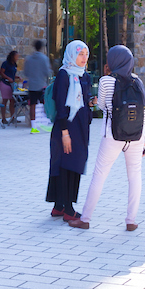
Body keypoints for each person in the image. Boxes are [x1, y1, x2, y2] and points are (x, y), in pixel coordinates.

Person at [71, 45, 145, 231]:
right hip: (136, 136)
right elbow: (143, 111)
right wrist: (143, 141)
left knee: (99, 175)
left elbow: (103, 106)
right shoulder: (138, 81)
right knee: (135, 176)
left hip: (113, 135)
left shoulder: (106, 81)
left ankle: (85, 218)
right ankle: (131, 221)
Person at [46, 40, 94, 222]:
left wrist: (91, 102)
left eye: (86, 54)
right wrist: (65, 133)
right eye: (80, 54)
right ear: (72, 55)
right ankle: (68, 208)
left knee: (75, 164)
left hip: (81, 128)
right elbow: (60, 104)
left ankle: (59, 206)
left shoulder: (84, 76)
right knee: (65, 165)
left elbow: (83, 101)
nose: (84, 58)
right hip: (65, 129)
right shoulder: (64, 75)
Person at [23, 40, 51, 124]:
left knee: (32, 104)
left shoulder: (29, 59)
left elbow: (26, 72)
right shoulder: (44, 58)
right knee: (44, 103)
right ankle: (44, 121)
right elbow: (47, 72)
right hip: (41, 84)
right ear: (41, 47)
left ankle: (33, 123)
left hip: (32, 85)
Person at [0, 51, 22, 126]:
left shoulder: (14, 64)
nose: (17, 58)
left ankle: (13, 117)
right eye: (16, 56)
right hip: (5, 83)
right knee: (5, 100)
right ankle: (3, 118)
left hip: (11, 84)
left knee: (12, 100)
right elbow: (2, 72)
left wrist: (17, 77)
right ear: (12, 56)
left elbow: (12, 74)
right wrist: (8, 78)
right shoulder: (5, 63)